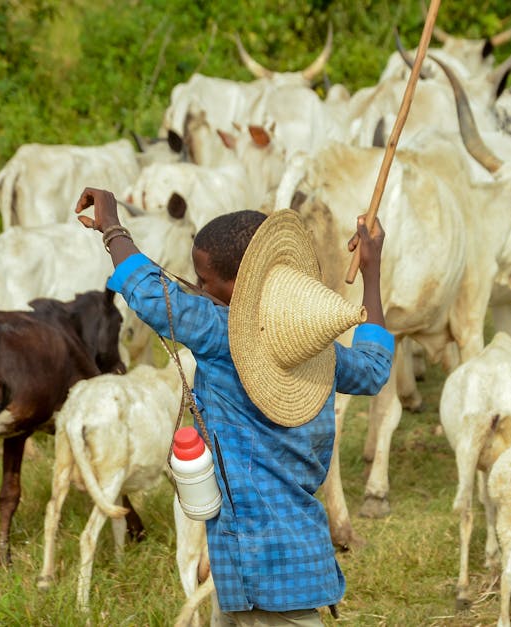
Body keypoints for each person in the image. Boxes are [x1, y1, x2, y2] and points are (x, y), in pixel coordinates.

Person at [75, 187, 394, 626]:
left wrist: (112, 226)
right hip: (289, 555)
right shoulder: (322, 353)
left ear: (241, 285)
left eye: (206, 281)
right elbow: (375, 367)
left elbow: (151, 295)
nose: (200, 290)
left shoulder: (225, 337)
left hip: (256, 561)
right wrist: (372, 275)